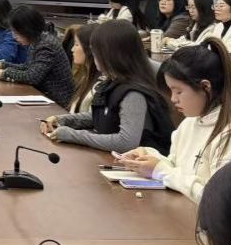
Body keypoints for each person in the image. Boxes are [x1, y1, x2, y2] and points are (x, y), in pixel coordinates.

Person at [116, 39, 231, 202]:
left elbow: (219, 201)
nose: (173, 99)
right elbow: (177, 169)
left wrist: (160, 170)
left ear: (205, 87)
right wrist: (149, 158)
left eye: (178, 91)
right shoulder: (192, 121)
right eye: (171, 91)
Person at [40, 21, 173, 153]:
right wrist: (62, 120)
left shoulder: (133, 93)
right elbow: (103, 117)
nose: (93, 56)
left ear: (111, 54)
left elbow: (126, 142)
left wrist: (73, 135)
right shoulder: (113, 82)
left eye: (95, 51)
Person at [0, 5, 75, 108]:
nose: (14, 37)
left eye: (16, 33)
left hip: (57, 103)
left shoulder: (46, 45)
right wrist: (1, 65)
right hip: (42, 96)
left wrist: (4, 73)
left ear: (27, 29)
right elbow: (28, 67)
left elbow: (32, 77)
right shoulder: (37, 40)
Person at [58, 23, 99, 113]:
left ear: (90, 49)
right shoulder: (85, 78)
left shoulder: (98, 86)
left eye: (76, 45)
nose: (72, 49)